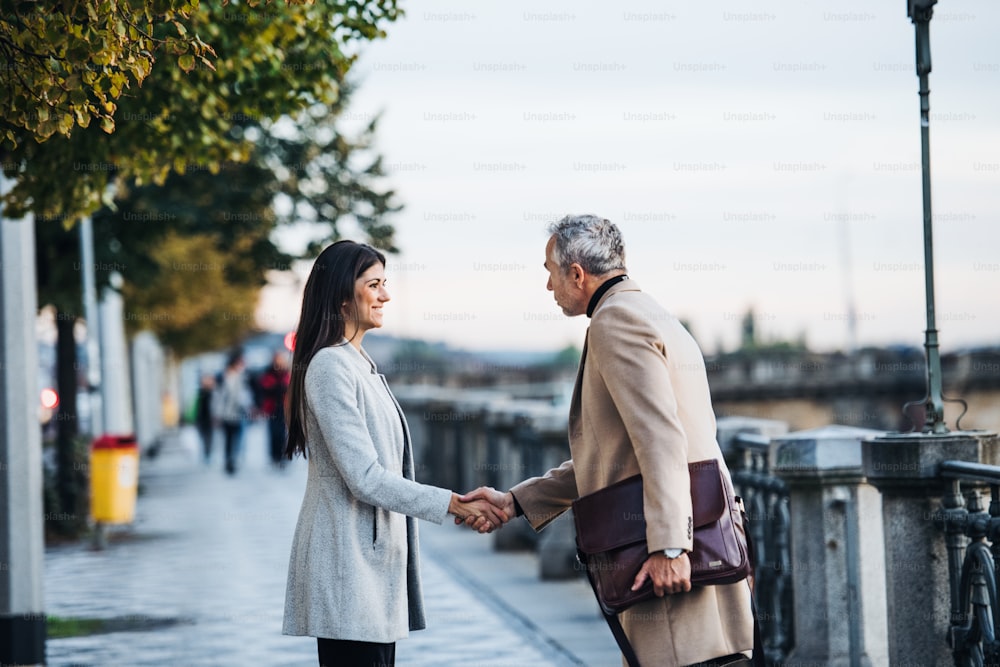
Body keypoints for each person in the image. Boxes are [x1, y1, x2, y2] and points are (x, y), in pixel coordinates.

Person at [462, 215, 756, 667]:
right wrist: (516, 501)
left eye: (549, 272)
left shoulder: (614, 321)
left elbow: (660, 440)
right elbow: (614, 455)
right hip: (704, 538)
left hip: (668, 560)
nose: (548, 287)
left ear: (576, 274)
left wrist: (670, 548)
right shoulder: (654, 313)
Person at [281, 240, 507, 667]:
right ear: (343, 296)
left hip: (368, 563)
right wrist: (453, 504)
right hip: (347, 563)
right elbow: (364, 476)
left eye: (385, 283)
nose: (386, 295)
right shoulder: (331, 367)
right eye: (375, 284)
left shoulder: (357, 364)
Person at [214, 350, 252, 475]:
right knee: (229, 439)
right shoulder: (224, 377)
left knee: (237, 438)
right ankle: (229, 461)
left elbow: (245, 394)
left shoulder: (242, 376)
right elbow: (219, 396)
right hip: (228, 413)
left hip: (238, 413)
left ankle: (233, 460)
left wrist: (247, 405)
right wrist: (217, 414)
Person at [257, 350, 291, 468]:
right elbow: (265, 388)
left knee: (282, 433)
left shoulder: (285, 373)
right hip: (271, 407)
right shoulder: (268, 372)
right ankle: (274, 456)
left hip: (282, 407)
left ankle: (283, 457)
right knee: (273, 433)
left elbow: (288, 387)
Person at [194, 373, 216, 464]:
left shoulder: (209, 392)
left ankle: (207, 455)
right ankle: (206, 454)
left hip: (207, 419)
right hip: (203, 419)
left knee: (208, 439)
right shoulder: (202, 393)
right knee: (205, 438)